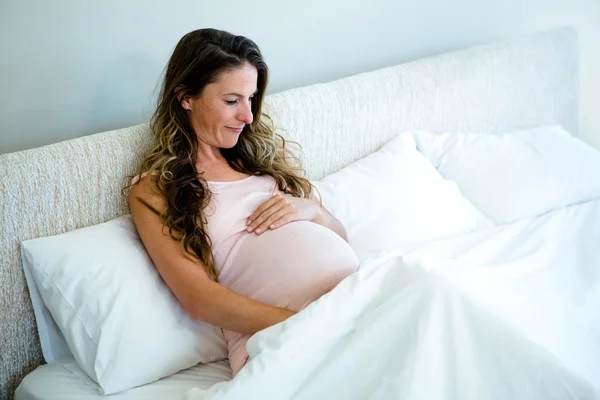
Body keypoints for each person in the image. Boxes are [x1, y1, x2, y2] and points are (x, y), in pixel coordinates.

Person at [127, 28, 359, 377]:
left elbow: (341, 239)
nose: (248, 117)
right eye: (232, 101)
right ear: (185, 97)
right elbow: (198, 299)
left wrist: (314, 211)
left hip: (354, 304)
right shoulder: (157, 189)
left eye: (251, 99)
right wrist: (311, 323)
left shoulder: (265, 161)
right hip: (288, 337)